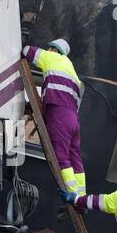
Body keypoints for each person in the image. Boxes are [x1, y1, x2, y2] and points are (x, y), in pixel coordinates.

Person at [22, 37, 85, 194]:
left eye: (50, 48)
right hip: (73, 120)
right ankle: (82, 194)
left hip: (59, 115)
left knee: (61, 158)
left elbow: (27, 50)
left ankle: (73, 195)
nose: (48, 51)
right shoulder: (73, 72)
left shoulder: (53, 57)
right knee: (75, 157)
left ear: (55, 50)